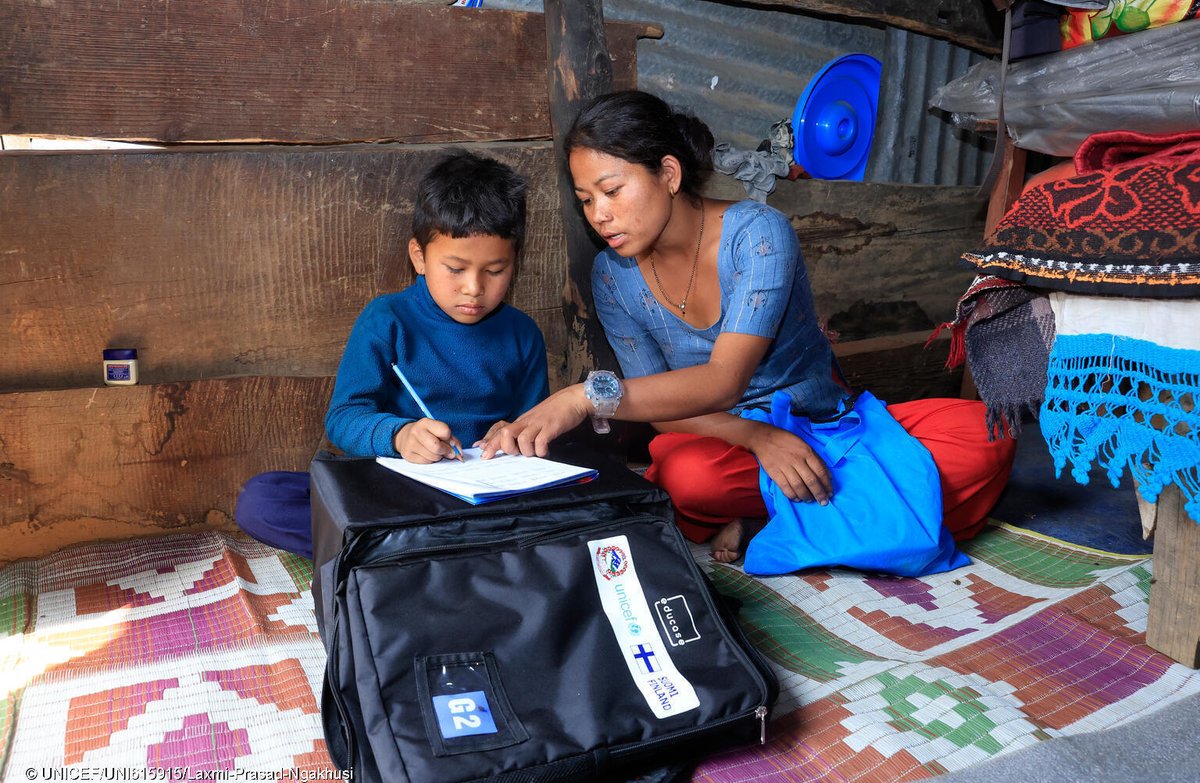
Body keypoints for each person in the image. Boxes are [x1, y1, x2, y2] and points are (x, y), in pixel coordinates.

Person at [479, 90, 1016, 563]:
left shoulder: (757, 234)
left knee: (986, 436)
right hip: (723, 440)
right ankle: (850, 512)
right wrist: (759, 438)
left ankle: (782, 515)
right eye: (586, 200)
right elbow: (670, 419)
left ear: (668, 174)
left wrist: (581, 398)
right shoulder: (613, 275)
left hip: (827, 428)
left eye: (612, 191)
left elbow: (723, 380)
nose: (599, 214)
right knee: (690, 477)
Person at [235, 150, 549, 557]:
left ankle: (400, 553)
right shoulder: (386, 320)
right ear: (419, 257)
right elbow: (344, 419)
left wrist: (517, 435)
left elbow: (537, 429)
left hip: (484, 497)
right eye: (455, 269)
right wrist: (399, 435)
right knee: (263, 499)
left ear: (514, 263)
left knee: (564, 510)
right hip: (395, 488)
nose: (474, 287)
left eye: (495, 271)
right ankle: (421, 550)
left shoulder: (522, 334)